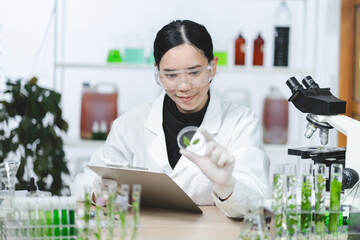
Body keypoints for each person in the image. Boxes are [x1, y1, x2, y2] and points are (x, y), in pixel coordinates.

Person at [71, 19, 269, 218]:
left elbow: (257, 202)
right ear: (158, 72)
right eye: (171, 75)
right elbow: (83, 182)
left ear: (213, 66)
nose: (183, 86)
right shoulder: (131, 122)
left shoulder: (241, 123)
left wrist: (227, 186)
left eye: (194, 72)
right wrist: (100, 190)